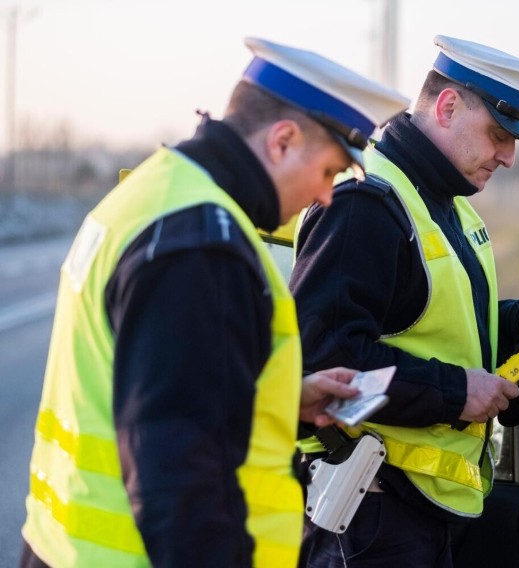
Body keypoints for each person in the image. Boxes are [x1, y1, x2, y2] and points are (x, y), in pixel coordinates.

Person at [19, 37, 409, 568]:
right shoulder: (203, 243)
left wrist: (276, 401)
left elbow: (148, 392)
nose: (324, 197)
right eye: (328, 173)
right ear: (283, 140)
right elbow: (179, 475)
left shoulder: (156, 192)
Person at [291, 35, 519, 567]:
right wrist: (455, 393)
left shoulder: (447, 204)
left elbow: (435, 326)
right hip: (368, 520)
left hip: (417, 518)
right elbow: (323, 362)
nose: (509, 157)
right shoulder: (365, 202)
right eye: (499, 134)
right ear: (447, 107)